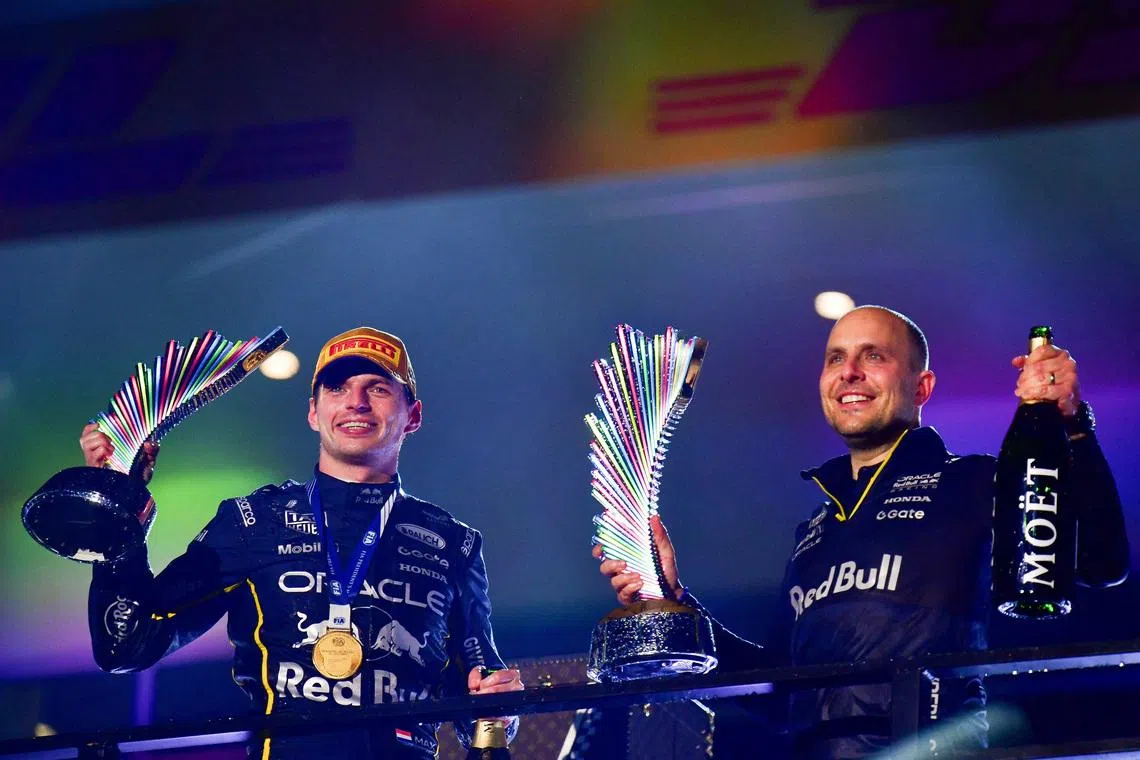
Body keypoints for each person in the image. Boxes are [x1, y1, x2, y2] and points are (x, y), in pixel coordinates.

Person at [595, 306, 1129, 759]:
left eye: (873, 356)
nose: (849, 372)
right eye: (835, 359)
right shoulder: (815, 533)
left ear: (921, 386)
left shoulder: (973, 480)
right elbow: (779, 692)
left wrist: (1074, 423)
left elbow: (1101, 563)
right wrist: (675, 599)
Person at [82, 326, 523, 759]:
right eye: (337, 387)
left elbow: (480, 693)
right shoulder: (253, 522)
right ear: (313, 412)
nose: (356, 401)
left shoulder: (453, 542)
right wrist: (117, 513)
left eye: (378, 388)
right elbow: (126, 645)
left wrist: (501, 701)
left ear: (414, 415)